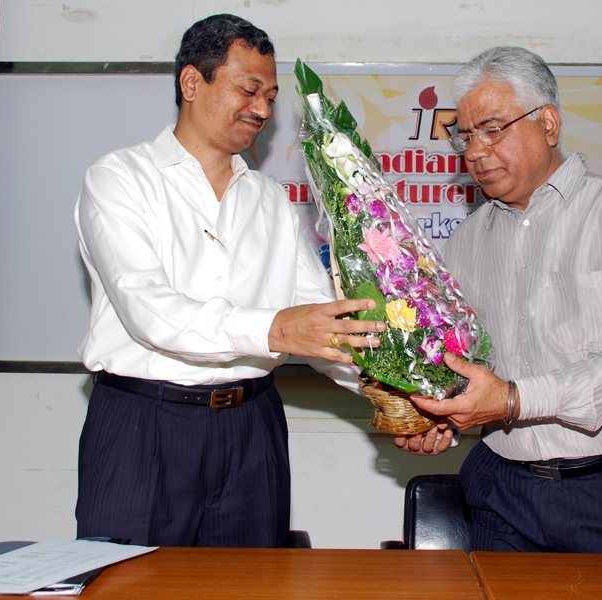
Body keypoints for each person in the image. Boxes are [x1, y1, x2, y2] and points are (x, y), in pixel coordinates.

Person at [73, 14, 383, 548]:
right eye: (248, 90)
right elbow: (150, 312)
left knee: (252, 582)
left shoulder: (271, 200)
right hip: (144, 425)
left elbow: (320, 322)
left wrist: (400, 397)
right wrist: (276, 330)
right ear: (192, 82)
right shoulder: (119, 180)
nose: (262, 110)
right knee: (126, 582)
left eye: (271, 97)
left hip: (252, 428)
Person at [396, 46, 602, 553]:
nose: (475, 152)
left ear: (548, 124)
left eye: (492, 129)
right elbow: (466, 362)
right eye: (465, 135)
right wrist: (439, 416)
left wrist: (515, 399)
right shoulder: (466, 240)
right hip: (502, 490)